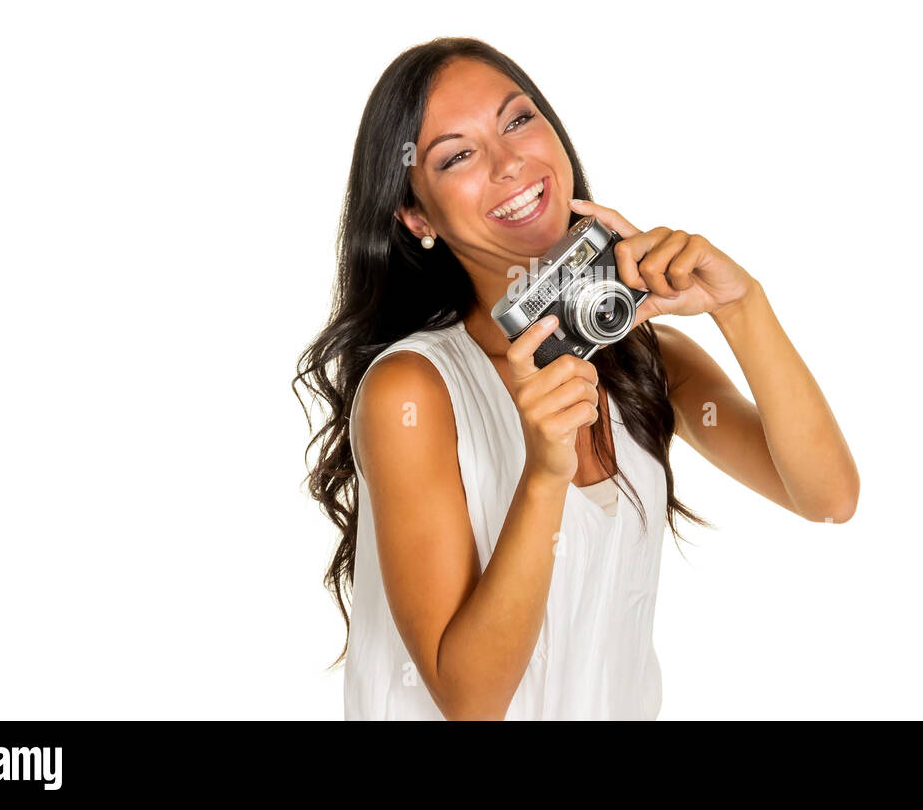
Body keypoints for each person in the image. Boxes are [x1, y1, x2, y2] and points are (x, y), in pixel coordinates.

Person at [293, 37, 860, 720]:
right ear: (417, 218)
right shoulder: (412, 390)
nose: (509, 163)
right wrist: (543, 472)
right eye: (458, 155)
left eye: (518, 120)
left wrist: (743, 308)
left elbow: (829, 498)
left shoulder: (645, 359)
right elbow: (469, 700)